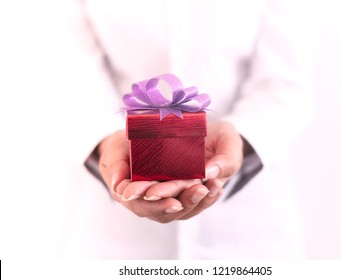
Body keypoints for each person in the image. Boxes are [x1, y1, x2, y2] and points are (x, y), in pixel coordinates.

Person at [60, 0, 316, 259]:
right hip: (118, 240)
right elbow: (67, 75)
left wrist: (240, 136)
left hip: (252, 233)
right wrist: (107, 143)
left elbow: (285, 85)